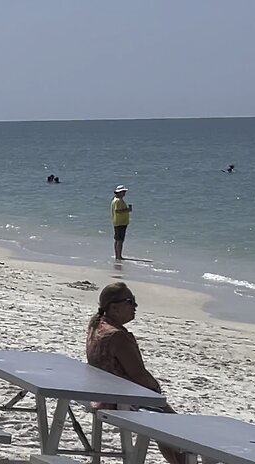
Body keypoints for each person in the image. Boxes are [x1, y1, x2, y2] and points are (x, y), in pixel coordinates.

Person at [85, 282, 182, 464]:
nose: (135, 306)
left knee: (167, 421)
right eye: (130, 302)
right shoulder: (117, 336)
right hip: (121, 400)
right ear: (114, 308)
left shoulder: (96, 326)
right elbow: (139, 375)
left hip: (103, 394)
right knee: (173, 426)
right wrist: (156, 387)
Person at [111, 186, 132, 261]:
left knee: (118, 239)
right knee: (119, 240)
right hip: (120, 222)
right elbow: (118, 211)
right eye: (123, 192)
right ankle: (118, 255)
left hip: (119, 222)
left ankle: (118, 255)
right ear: (119, 192)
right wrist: (127, 210)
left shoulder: (116, 200)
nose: (124, 193)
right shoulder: (118, 201)